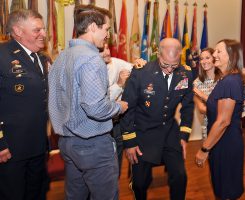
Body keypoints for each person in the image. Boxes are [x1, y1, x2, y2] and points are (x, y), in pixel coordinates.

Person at [48, 5, 128, 200]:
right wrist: (119, 107)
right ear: (93, 27)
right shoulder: (92, 59)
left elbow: (54, 102)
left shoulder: (61, 57)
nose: (108, 35)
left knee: (75, 195)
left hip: (67, 143)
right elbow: (96, 108)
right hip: (93, 146)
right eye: (106, 29)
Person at [121, 38, 194, 200]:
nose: (169, 70)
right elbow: (128, 108)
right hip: (143, 134)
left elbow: (188, 106)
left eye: (174, 66)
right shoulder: (141, 73)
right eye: (165, 65)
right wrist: (130, 142)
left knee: (180, 177)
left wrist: (184, 135)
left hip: (169, 133)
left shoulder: (185, 73)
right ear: (158, 55)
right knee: (140, 183)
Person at [0, 9, 49, 200]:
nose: (43, 34)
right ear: (18, 31)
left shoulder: (41, 58)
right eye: (37, 30)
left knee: (36, 193)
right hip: (11, 149)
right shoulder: (2, 56)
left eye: (43, 29)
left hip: (37, 145)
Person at [195, 39, 245, 200]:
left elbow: (223, 121)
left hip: (226, 143)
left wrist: (204, 149)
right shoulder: (227, 79)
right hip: (222, 141)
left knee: (226, 190)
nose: (214, 54)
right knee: (221, 187)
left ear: (231, 56)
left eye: (218, 51)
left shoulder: (230, 81)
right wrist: (199, 94)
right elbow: (216, 106)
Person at [99, 42, 146, 175]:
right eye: (103, 50)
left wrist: (140, 63)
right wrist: (119, 84)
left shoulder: (114, 62)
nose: (108, 52)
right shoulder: (91, 71)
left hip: (117, 124)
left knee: (116, 168)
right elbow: (101, 103)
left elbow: (134, 67)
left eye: (107, 47)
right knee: (102, 172)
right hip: (101, 127)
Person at [193, 48, 221, 139]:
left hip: (225, 126)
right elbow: (201, 109)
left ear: (214, 59)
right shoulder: (197, 83)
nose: (204, 61)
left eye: (207, 58)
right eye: (201, 59)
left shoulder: (224, 79)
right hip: (208, 127)